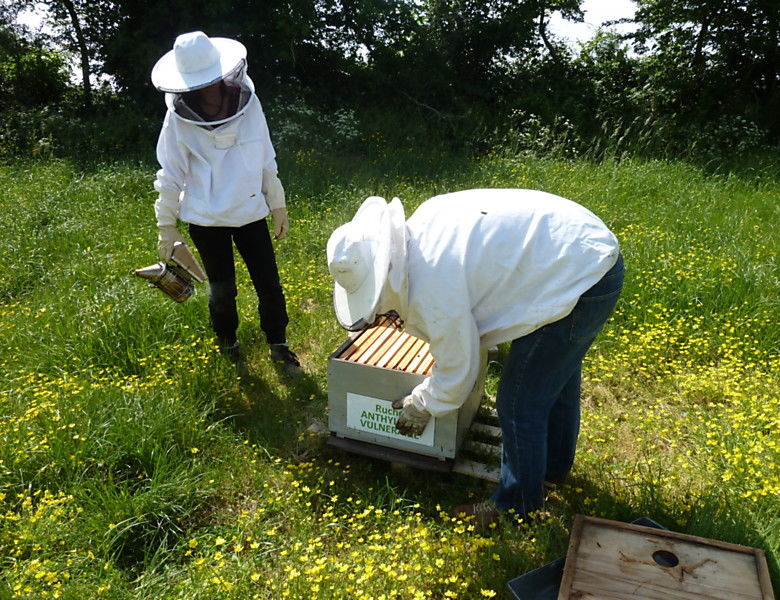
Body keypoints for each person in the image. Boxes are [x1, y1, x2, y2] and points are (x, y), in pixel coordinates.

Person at [326, 189, 623, 524]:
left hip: (580, 275)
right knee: (555, 378)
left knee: (518, 401)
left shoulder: (432, 286)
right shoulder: (423, 224)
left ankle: (515, 508)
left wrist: (422, 403)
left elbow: (457, 371)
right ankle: (551, 468)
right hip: (581, 252)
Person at [150, 31, 300, 372]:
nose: (203, 88)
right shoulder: (178, 117)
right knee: (222, 290)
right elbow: (170, 172)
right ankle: (228, 345)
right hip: (205, 219)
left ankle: (279, 345)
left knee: (269, 284)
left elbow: (265, 154)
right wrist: (166, 226)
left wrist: (277, 203)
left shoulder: (250, 103)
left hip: (249, 212)